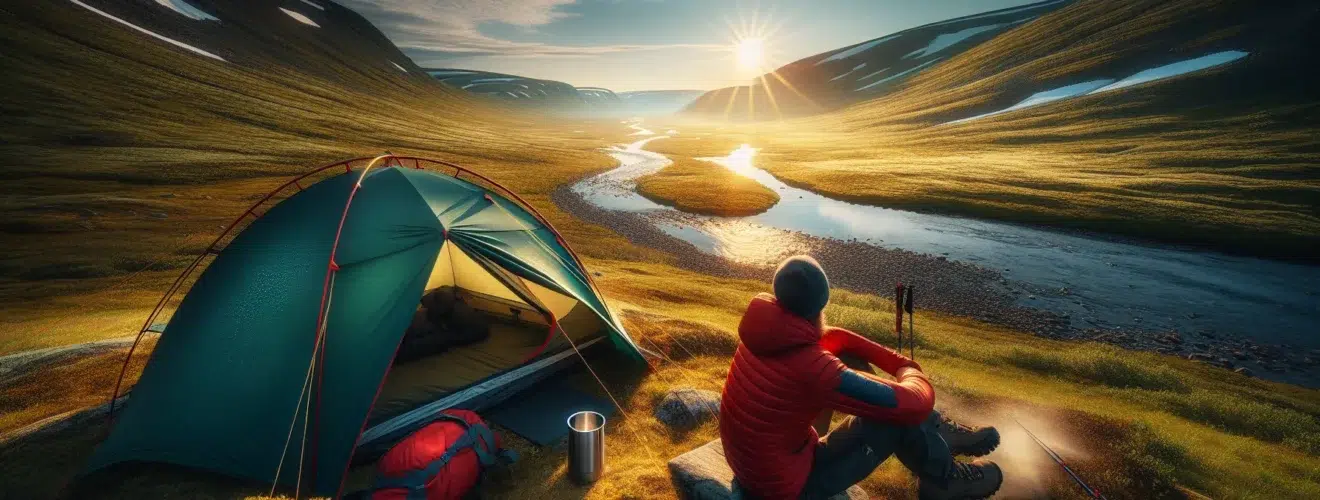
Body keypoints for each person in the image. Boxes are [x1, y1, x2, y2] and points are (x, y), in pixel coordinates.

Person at [719, 255, 1003, 500]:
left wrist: (898, 364)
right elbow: (913, 402)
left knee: (867, 378)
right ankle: (943, 479)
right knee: (896, 418)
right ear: (820, 307)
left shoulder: (764, 335)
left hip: (759, 466)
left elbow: (838, 340)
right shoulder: (813, 368)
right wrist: (909, 369)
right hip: (788, 487)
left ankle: (937, 434)